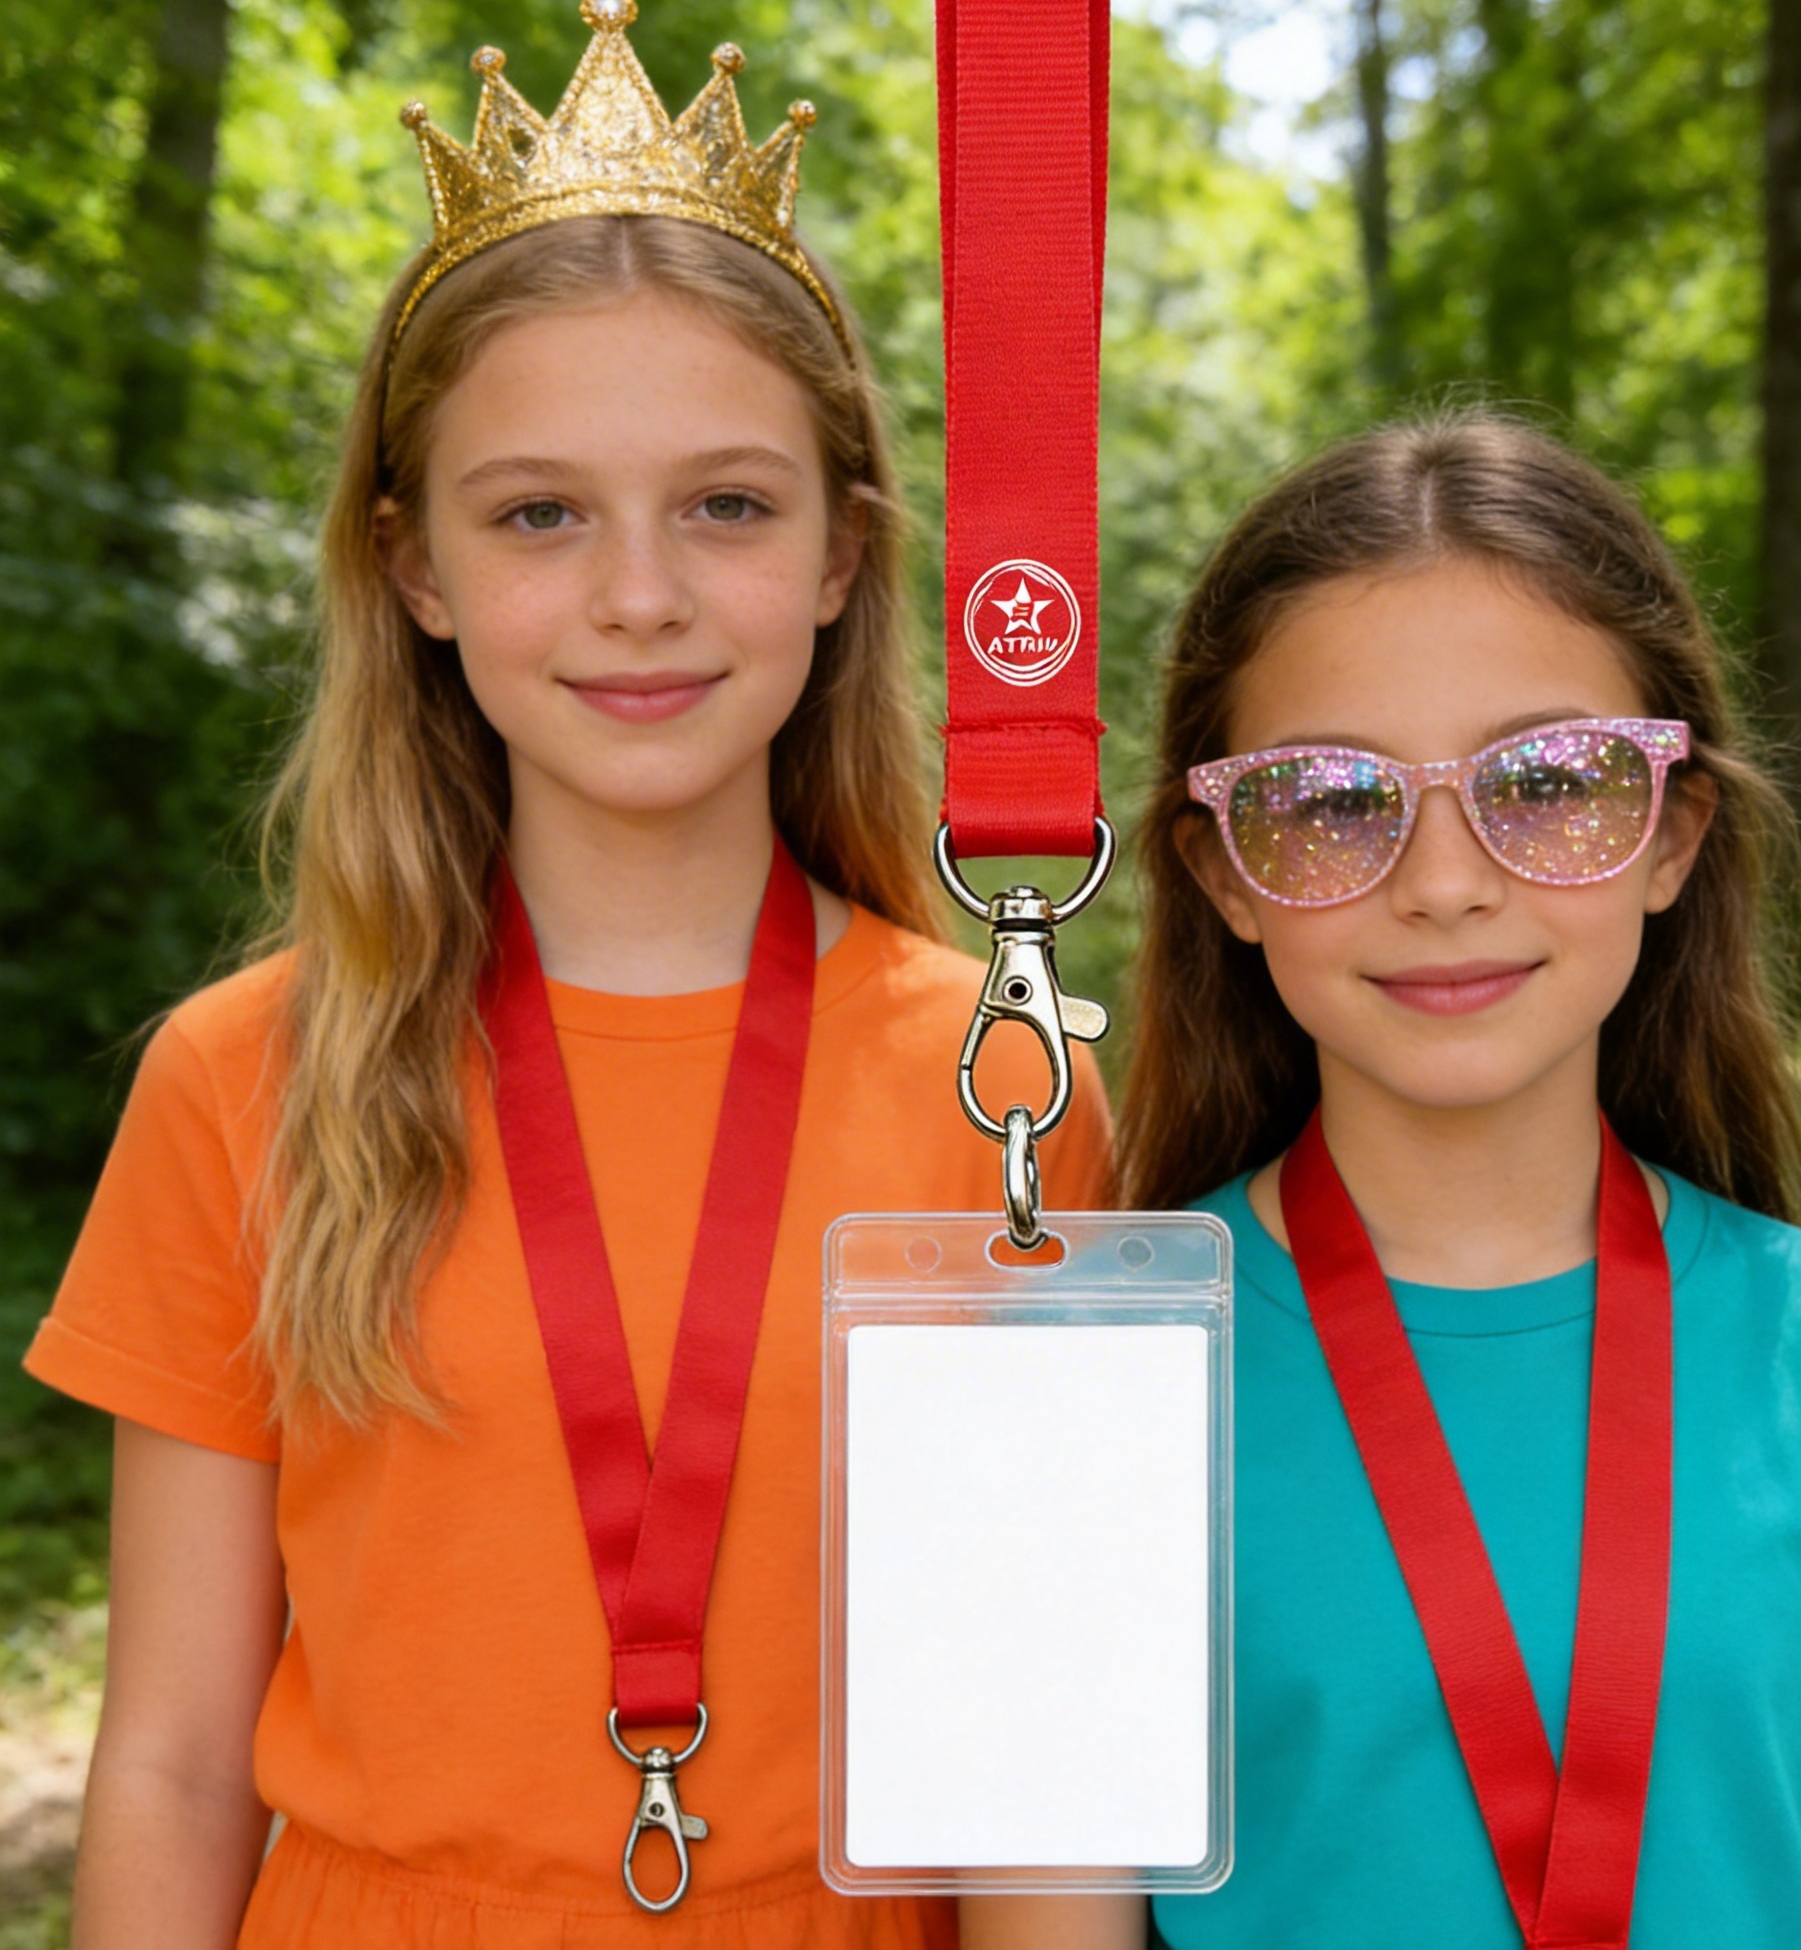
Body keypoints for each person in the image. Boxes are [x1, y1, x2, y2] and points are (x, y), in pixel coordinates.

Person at [26, 7, 1110, 1945]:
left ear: (846, 557)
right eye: (539, 513)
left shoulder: (996, 1082)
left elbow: (1037, 1763)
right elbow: (177, 1756)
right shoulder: (241, 1074)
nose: (638, 593)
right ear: (417, 568)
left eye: (728, 504)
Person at [963, 411, 1801, 1950]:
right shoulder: (1079, 1382)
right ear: (1223, 868)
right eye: (1333, 798)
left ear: (1671, 832)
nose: (1444, 881)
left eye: (1549, 779)